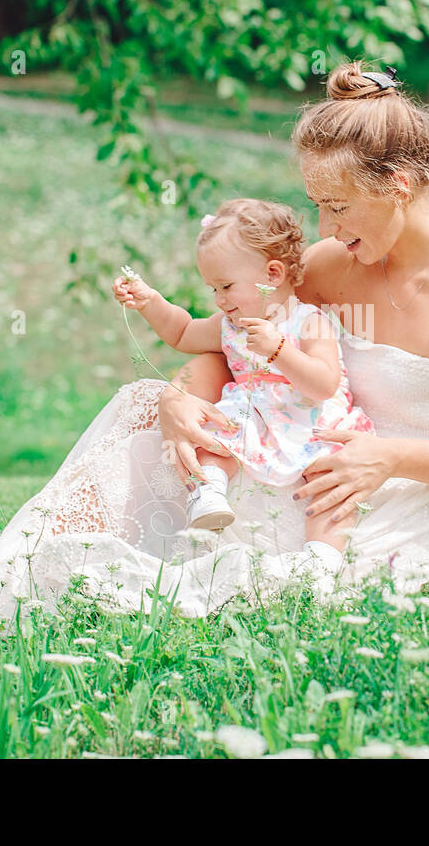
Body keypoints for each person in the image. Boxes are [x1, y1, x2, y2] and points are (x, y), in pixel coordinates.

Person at [0, 60, 429, 632]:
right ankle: (4, 583)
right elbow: (233, 346)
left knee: (264, 586)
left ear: (399, 186)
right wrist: (179, 397)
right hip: (299, 459)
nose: (325, 226)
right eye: (317, 205)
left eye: (338, 207)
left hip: (388, 502)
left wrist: (388, 458)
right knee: (142, 404)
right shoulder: (331, 263)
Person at [111, 197, 376, 576]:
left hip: (311, 417)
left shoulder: (307, 320)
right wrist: (151, 302)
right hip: (256, 413)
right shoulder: (229, 324)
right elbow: (183, 332)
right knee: (215, 433)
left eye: (226, 286)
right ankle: (209, 490)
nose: (219, 299)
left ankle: (322, 560)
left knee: (328, 480)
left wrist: (279, 349)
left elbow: (324, 382)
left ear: (272, 274)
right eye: (213, 289)